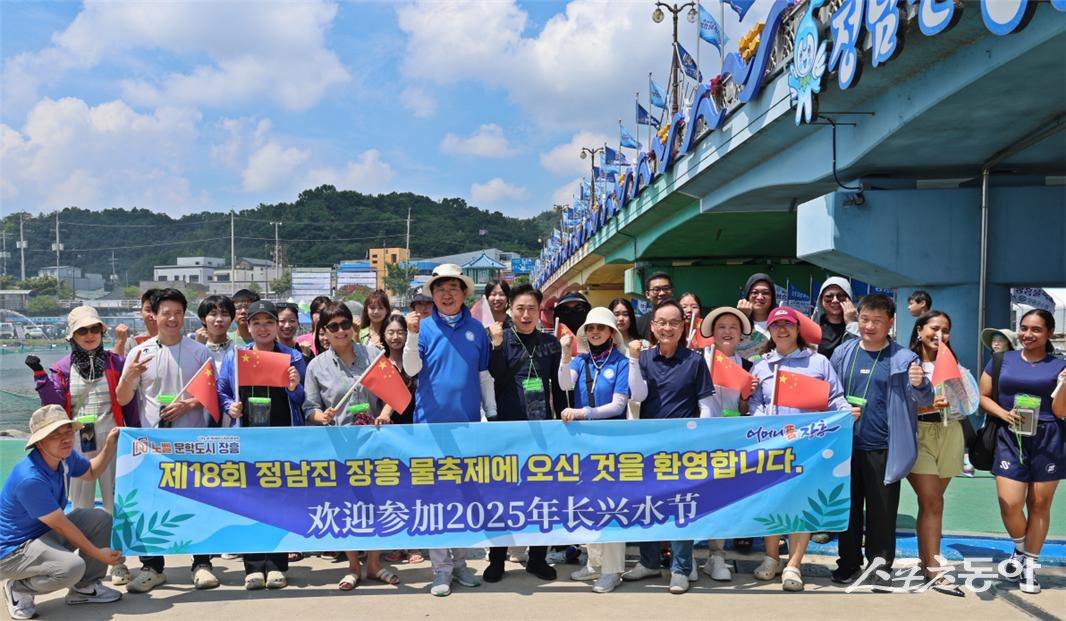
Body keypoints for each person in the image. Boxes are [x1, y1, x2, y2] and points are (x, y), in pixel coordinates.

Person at [116, 288, 218, 593]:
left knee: (197, 500)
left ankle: (201, 563)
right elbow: (122, 399)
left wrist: (188, 405)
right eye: (165, 312)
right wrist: (130, 375)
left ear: (184, 315)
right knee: (150, 503)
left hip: (190, 441)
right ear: (154, 315)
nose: (172, 318)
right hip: (153, 444)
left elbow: (211, 396)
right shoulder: (139, 353)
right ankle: (151, 567)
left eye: (178, 312)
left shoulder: (200, 352)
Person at [402, 264, 496, 597]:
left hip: (468, 427)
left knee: (464, 498)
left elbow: (484, 376)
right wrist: (411, 335)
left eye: (453, 288)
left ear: (464, 294)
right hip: (430, 428)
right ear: (433, 294)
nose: (446, 294)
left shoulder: (477, 330)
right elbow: (411, 369)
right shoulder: (424, 329)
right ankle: (440, 569)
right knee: (435, 500)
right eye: (440, 288)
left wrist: (492, 416)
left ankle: (459, 564)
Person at [27, 305, 138, 585]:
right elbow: (53, 404)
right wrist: (40, 375)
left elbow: (129, 402)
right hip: (77, 446)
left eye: (94, 329)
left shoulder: (115, 363)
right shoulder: (63, 368)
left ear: (102, 331)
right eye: (82, 330)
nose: (89, 335)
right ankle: (84, 568)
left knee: (116, 506)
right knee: (81, 508)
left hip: (113, 440)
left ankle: (118, 562)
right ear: (72, 336)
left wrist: (135, 434)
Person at [830, 294, 933, 590]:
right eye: (864, 319)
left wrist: (920, 383)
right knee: (847, 511)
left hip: (884, 446)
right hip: (844, 446)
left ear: (890, 323)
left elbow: (923, 399)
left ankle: (879, 568)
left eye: (877, 321)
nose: (869, 326)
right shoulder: (843, 352)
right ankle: (847, 564)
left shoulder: (903, 358)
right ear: (857, 319)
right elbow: (829, 393)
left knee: (882, 513)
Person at [748, 306, 851, 591]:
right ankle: (771, 558)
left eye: (788, 325)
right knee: (771, 502)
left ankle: (794, 565)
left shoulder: (818, 362)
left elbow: (835, 397)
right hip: (772, 446)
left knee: (801, 504)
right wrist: (760, 420)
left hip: (808, 446)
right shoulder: (761, 364)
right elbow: (754, 401)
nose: (783, 330)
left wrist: (846, 413)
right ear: (769, 331)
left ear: (797, 329)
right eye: (777, 325)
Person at [301, 302, 399, 590]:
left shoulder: (372, 355)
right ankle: (353, 565)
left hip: (373, 441)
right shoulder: (316, 366)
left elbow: (392, 394)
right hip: (339, 445)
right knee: (347, 507)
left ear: (354, 327)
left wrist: (383, 414)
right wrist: (322, 416)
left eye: (345, 324)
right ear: (324, 333)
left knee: (377, 503)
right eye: (333, 327)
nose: (341, 331)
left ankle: (374, 563)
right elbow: (309, 408)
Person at [623, 299, 715, 594]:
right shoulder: (645, 359)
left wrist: (699, 438)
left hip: (683, 448)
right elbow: (637, 395)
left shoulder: (695, 360)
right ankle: (649, 562)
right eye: (661, 322)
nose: (667, 328)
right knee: (648, 505)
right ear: (652, 327)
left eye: (673, 322)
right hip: (648, 447)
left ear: (682, 326)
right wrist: (634, 360)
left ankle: (680, 568)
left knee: (680, 508)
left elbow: (706, 405)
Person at [1, 406, 124, 619]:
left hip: (41, 534)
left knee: (100, 518)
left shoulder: (64, 458)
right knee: (72, 568)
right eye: (55, 435)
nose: (65, 438)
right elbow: (61, 524)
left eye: (67, 431)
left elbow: (91, 472)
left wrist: (110, 446)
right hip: (12, 552)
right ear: (39, 442)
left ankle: (84, 589)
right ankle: (19, 588)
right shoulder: (30, 479)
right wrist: (97, 553)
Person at [217, 301, 305, 590]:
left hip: (282, 438)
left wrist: (294, 388)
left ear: (277, 326)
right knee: (249, 501)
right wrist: (231, 407)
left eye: (269, 322)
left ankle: (278, 564)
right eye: (257, 323)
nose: (263, 328)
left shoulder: (292, 356)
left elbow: (302, 400)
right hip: (249, 438)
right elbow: (222, 391)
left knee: (281, 500)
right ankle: (253, 566)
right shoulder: (236, 356)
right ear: (249, 326)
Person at [483, 284, 565, 584]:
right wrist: (495, 346)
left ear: (539, 310)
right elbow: (498, 377)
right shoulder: (500, 339)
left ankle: (538, 558)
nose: (526, 314)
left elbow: (558, 386)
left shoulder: (550, 343)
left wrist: (560, 421)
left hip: (542, 428)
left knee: (542, 495)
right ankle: (496, 559)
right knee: (502, 496)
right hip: (506, 428)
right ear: (510, 310)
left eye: (532, 308)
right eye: (520, 308)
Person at [980, 309, 1065, 595]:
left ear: (1049, 333)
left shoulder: (1060, 365)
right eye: (1024, 328)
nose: (1028, 334)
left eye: (1036, 330)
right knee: (1010, 503)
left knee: (1040, 505)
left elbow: (1060, 410)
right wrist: (1005, 415)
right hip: (1009, 436)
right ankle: (1020, 547)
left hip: (1049, 438)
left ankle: (1029, 565)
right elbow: (982, 397)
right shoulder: (1002, 359)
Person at [556, 307, 631, 593]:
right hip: (583, 443)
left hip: (612, 443)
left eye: (601, 327)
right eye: (590, 328)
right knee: (588, 503)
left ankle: (613, 570)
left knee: (611, 505)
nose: (595, 332)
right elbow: (564, 384)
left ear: (612, 332)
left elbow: (618, 405)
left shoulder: (622, 362)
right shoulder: (581, 360)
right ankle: (594, 564)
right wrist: (565, 356)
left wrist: (581, 413)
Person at [907, 310, 979, 596]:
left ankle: (926, 563)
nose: (940, 335)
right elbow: (896, 406)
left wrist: (959, 396)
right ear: (919, 330)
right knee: (932, 500)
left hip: (951, 433)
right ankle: (936, 571)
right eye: (934, 328)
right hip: (918, 433)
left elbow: (969, 404)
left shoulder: (955, 366)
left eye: (946, 330)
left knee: (932, 504)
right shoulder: (906, 364)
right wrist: (927, 405)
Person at [369, 314, 417, 426]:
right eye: (390, 332)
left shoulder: (416, 362)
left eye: (400, 332)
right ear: (384, 335)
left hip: (417, 423)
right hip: (389, 425)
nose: (395, 337)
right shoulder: (379, 364)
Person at [814, 277, 859, 358]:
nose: (835, 300)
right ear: (821, 300)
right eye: (829, 296)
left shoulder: (861, 326)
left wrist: (851, 323)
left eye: (841, 295)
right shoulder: (812, 325)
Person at [735, 273, 777, 360]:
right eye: (755, 292)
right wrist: (742, 317)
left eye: (766, 293)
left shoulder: (781, 323)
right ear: (747, 295)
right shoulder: (734, 321)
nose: (760, 297)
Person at [194, 295, 236, 367]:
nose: (219, 319)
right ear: (203, 319)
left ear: (231, 319)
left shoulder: (237, 350)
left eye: (224, 314)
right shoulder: (193, 347)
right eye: (213, 314)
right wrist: (199, 347)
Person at [116, 289, 160, 357]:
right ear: (141, 312)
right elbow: (118, 364)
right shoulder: (132, 342)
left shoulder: (174, 342)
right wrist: (120, 342)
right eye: (148, 310)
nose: (152, 315)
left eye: (157, 310)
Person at [635, 272, 674, 339]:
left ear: (672, 291)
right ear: (647, 294)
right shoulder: (639, 323)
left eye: (666, 288)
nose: (662, 293)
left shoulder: (682, 320)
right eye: (656, 289)